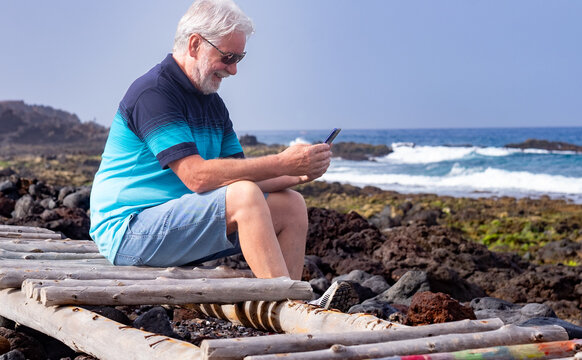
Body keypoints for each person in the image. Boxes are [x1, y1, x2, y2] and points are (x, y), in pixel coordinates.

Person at [89, 0, 332, 283]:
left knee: (291, 204)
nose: (233, 70)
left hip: (174, 223)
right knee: (244, 196)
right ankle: (283, 301)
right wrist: (281, 162)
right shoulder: (154, 93)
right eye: (228, 57)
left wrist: (298, 173)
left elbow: (243, 180)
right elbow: (197, 178)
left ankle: (291, 300)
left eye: (239, 59)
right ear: (194, 45)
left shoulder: (212, 103)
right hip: (128, 232)